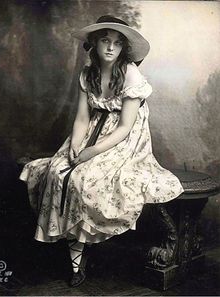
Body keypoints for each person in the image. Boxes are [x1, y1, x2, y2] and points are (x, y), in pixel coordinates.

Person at [19, 15, 184, 287]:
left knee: (88, 179)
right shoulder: (88, 73)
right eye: (105, 41)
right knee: (58, 173)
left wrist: (91, 152)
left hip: (125, 137)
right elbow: (83, 118)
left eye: (117, 44)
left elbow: (125, 127)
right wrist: (75, 146)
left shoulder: (131, 74)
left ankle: (83, 249)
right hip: (94, 129)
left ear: (123, 49)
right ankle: (75, 254)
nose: (110, 48)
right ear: (94, 43)